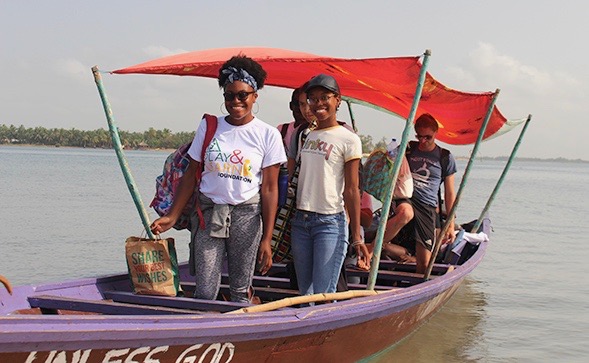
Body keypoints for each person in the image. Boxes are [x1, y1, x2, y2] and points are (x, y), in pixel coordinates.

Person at [150, 55, 287, 303]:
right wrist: (171, 215)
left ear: (255, 96)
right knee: (204, 290)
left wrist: (267, 239)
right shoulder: (210, 126)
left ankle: (240, 337)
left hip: (247, 214)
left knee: (239, 290)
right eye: (229, 95)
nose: (236, 101)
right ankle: (205, 335)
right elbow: (192, 175)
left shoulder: (268, 135)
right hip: (209, 212)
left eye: (242, 95)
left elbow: (269, 189)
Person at [290, 74, 370, 296]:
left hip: (329, 223)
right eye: (313, 99)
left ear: (337, 100)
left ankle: (326, 330)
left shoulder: (349, 138)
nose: (318, 103)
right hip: (300, 222)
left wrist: (356, 237)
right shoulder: (305, 134)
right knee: (304, 295)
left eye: (325, 97)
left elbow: (353, 190)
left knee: (324, 293)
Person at [403, 113, 457, 274]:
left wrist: (450, 225)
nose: (423, 141)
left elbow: (449, 193)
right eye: (419, 136)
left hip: (427, 209)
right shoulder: (409, 149)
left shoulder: (444, 157)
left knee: (425, 263)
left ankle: (418, 291)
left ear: (435, 133)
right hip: (406, 201)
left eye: (428, 137)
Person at [277, 88, 309, 161]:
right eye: (299, 104)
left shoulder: (318, 132)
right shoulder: (281, 130)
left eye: (307, 103)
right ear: (291, 106)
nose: (302, 110)